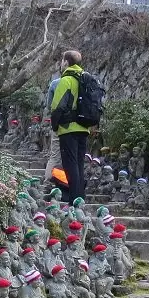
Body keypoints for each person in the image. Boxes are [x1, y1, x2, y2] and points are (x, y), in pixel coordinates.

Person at [50, 50, 91, 204]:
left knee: (70, 165)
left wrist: (55, 125)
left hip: (68, 128)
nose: (61, 64)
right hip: (83, 128)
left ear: (66, 62)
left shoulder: (66, 80)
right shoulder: (86, 79)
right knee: (79, 164)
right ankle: (80, 198)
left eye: (62, 61)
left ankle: (74, 200)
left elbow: (57, 106)